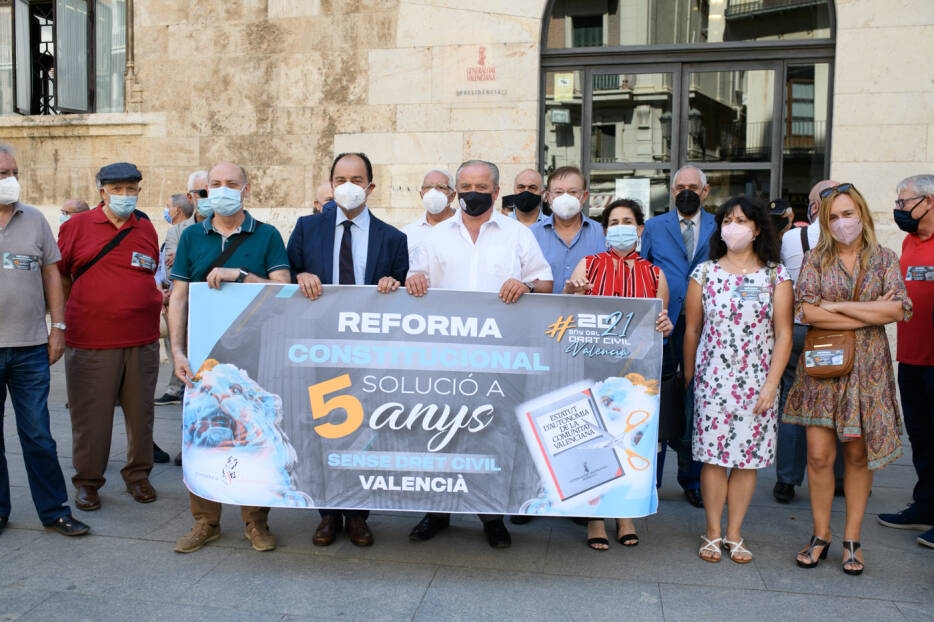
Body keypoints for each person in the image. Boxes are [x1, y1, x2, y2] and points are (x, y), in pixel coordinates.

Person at [405, 159, 553, 548]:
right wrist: (414, 279)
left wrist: (527, 287)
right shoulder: (435, 238)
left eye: (481, 186)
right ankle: (437, 512)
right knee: (441, 432)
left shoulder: (516, 235)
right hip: (444, 357)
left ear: (495, 190)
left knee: (493, 436)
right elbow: (415, 279)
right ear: (456, 191)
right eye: (465, 185)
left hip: (499, 357)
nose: (473, 192)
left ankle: (492, 516)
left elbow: (545, 279)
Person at [784, 183, 911, 575]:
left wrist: (837, 305)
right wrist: (866, 312)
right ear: (825, 221)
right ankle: (820, 534)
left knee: (857, 455)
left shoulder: (886, 258)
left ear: (863, 215)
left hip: (868, 369)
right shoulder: (815, 260)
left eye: (848, 214)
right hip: (824, 365)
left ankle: (852, 538)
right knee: (819, 456)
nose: (842, 223)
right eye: (833, 217)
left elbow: (898, 309)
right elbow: (807, 311)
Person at [286, 152, 409, 548]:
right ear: (331, 183)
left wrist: (395, 285)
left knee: (364, 431)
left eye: (357, 178)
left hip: (370, 353)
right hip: (319, 349)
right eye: (341, 178)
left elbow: (408, 296)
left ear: (371, 186)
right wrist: (298, 275)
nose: (349, 185)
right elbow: (283, 280)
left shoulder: (394, 238)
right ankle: (326, 513)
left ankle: (357, 513)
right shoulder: (307, 229)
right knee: (323, 427)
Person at [169, 161, 292, 554]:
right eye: (215, 184)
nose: (223, 190)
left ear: (247, 188)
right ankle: (205, 521)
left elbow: (281, 290)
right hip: (204, 355)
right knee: (202, 433)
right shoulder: (191, 237)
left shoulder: (268, 235)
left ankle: (256, 521)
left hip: (254, 353)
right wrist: (176, 351)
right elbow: (179, 296)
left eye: (231, 184)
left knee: (253, 433)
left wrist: (241, 275)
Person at [683, 196, 793, 563]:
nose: (734, 226)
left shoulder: (776, 274)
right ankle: (713, 532)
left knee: (746, 460)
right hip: (713, 379)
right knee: (713, 459)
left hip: (758, 381)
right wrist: (689, 375)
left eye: (742, 220)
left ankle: (735, 534)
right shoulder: (704, 273)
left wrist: (772, 384)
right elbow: (693, 330)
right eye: (728, 220)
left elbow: (783, 334)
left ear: (758, 228)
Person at [564, 198, 673, 550]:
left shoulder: (656, 274)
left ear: (639, 229)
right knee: (594, 438)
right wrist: (572, 290)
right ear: (605, 230)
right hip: (592, 367)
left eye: (628, 220)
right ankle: (595, 517)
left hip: (636, 373)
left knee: (629, 439)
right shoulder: (589, 264)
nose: (621, 226)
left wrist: (665, 324)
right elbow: (567, 309)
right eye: (613, 221)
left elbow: (661, 323)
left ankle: (624, 514)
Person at [57, 162, 163, 512]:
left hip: (142, 337)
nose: (125, 195)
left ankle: (138, 475)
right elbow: (60, 278)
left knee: (141, 413)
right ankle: (88, 481)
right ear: (101, 191)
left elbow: (149, 271)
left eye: (131, 189)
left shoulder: (146, 228)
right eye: (117, 189)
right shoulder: (76, 226)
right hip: (91, 339)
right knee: (92, 416)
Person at [0, 144, 90, 537]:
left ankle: (54, 510)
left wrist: (59, 328)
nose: (10, 180)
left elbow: (53, 274)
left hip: (30, 348)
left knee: (37, 432)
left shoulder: (34, 219)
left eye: (13, 171)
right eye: (2, 173)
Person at [640, 165, 716, 508]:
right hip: (663, 324)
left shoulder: (720, 226)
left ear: (705, 191)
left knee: (695, 402)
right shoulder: (655, 227)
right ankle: (650, 480)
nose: (686, 191)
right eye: (679, 187)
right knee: (660, 399)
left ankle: (692, 479)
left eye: (693, 186)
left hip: (706, 325)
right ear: (672, 192)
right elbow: (644, 269)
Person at [773, 180, 840, 503]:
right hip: (835, 333)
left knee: (791, 403)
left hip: (797, 329)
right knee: (837, 402)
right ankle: (838, 477)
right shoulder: (847, 239)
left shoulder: (791, 238)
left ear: (812, 206)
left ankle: (786, 480)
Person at [877, 174, 934, 549]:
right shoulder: (910, 242)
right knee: (921, 435)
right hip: (912, 356)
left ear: (928, 201)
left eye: (904, 203)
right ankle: (926, 506)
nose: (899, 210)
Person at [155, 171, 209, 409]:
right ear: (191, 196)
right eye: (204, 192)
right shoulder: (177, 231)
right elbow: (171, 272)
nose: (211, 197)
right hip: (187, 305)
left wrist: (190, 259)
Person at [531, 166, 606, 293]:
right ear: (549, 197)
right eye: (558, 192)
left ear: (584, 196)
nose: (565, 198)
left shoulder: (602, 233)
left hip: (590, 310)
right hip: (543, 310)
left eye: (573, 192)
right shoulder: (531, 234)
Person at [402, 168, 457, 268]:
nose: (433, 192)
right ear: (421, 195)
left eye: (441, 187)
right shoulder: (407, 233)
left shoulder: (464, 227)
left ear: (452, 196)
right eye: (428, 187)